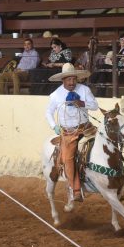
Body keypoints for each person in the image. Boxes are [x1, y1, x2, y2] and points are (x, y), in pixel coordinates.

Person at [45, 63, 97, 201]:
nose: (72, 82)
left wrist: (83, 103)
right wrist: (54, 126)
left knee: (107, 143)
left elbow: (95, 106)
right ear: (63, 80)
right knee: (68, 159)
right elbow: (48, 112)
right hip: (68, 133)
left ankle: (116, 180)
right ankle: (75, 190)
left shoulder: (84, 90)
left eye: (74, 79)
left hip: (87, 128)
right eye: (68, 79)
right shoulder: (56, 95)